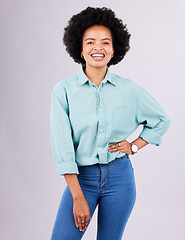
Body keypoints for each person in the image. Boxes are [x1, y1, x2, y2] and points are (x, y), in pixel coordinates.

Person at [50, 6, 171, 240]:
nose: (98, 48)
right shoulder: (63, 92)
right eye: (90, 42)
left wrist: (134, 145)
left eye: (105, 42)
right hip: (81, 179)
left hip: (120, 178)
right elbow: (63, 149)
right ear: (80, 49)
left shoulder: (129, 89)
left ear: (114, 49)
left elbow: (161, 120)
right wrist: (77, 197)